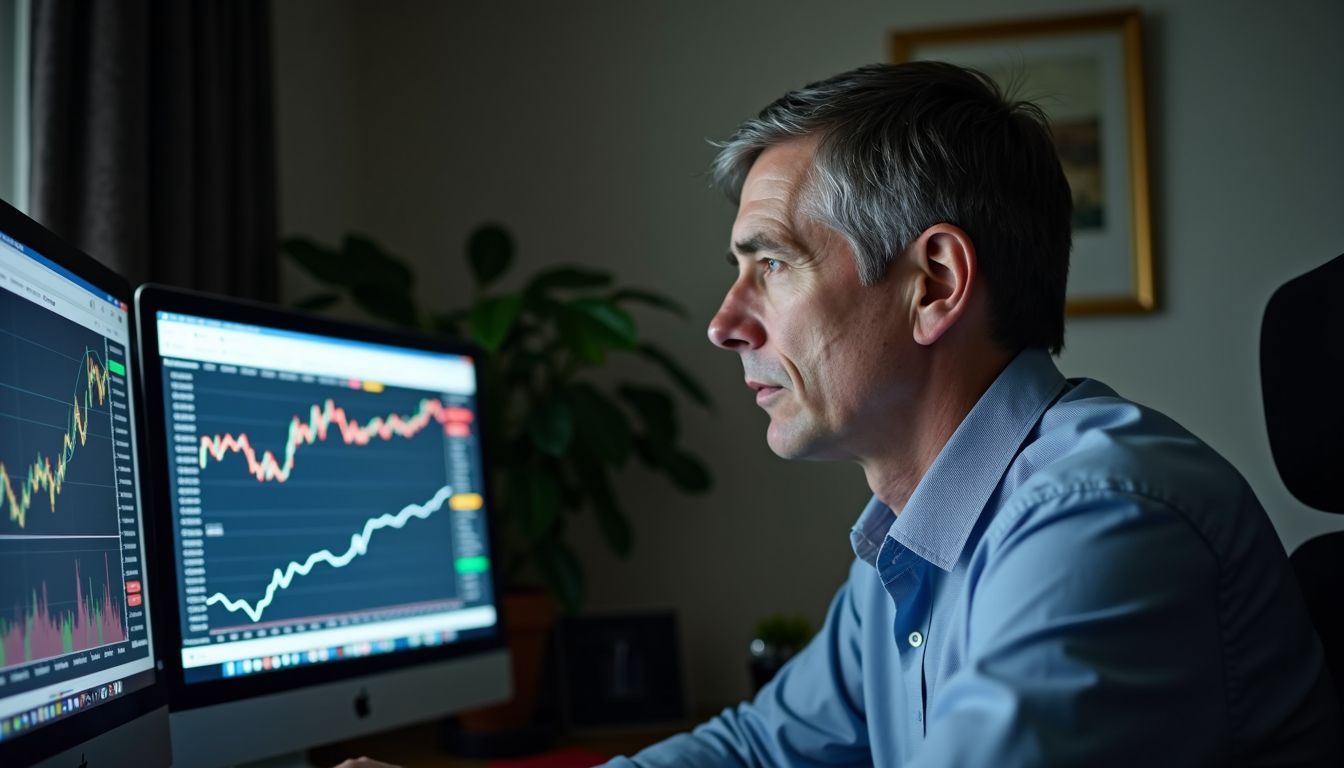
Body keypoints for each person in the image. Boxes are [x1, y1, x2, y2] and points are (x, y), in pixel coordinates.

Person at [599, 62, 1342, 766]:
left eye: (773, 264)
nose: (724, 325)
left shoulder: (1102, 521)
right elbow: (761, 749)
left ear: (934, 284)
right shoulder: (904, 544)